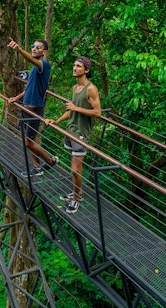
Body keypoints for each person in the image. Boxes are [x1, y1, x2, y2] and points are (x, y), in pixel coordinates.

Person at [45, 56, 101, 214]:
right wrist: (57, 121)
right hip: (70, 130)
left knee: (75, 169)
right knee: (75, 168)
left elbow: (97, 112)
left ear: (86, 70)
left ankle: (76, 199)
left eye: (78, 66)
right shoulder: (75, 88)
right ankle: (77, 192)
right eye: (74, 65)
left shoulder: (91, 88)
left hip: (81, 133)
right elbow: (71, 110)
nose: (74, 68)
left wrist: (75, 109)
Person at [8, 37, 59, 176]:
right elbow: (29, 87)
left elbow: (32, 60)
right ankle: (36, 167)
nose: (34, 49)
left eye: (38, 47)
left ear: (45, 51)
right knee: (32, 139)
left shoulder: (44, 65)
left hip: (35, 108)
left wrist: (18, 49)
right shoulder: (34, 68)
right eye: (33, 46)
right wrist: (17, 98)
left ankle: (50, 162)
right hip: (26, 107)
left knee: (28, 143)